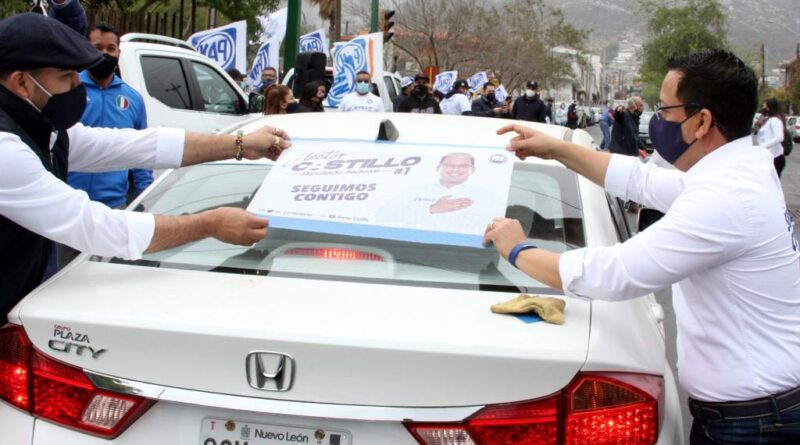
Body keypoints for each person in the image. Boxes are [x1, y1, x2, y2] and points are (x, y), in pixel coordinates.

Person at [485, 49, 800, 445]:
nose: (658, 121)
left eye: (665, 111)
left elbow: (616, 273)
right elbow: (642, 181)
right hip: (759, 412)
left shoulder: (725, 197)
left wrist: (518, 251)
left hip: (755, 423)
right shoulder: (740, 169)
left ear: (702, 121)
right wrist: (557, 149)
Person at [0, 13, 293, 321]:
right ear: (22, 82)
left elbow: (136, 145)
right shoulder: (6, 148)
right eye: (66, 77)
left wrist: (240, 144)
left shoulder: (44, 128)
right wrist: (209, 224)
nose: (77, 85)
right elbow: (97, 227)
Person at [67, 22, 152, 209]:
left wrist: (145, 195)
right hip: (69, 202)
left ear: (119, 53)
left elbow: (141, 151)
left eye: (110, 49)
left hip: (114, 206)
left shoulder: (133, 99)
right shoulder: (69, 90)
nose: (104, 54)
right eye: (97, 48)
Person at [377, 152, 500, 233]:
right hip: (409, 249)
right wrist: (431, 208)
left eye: (463, 166)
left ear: (472, 170)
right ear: (438, 167)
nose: (455, 169)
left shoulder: (487, 196)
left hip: (466, 255)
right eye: (449, 165)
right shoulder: (413, 191)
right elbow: (383, 216)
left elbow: (495, 229)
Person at [757, 98, 786, 177]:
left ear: (769, 108)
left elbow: (779, 137)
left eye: (764, 106)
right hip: (769, 157)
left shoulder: (775, 120)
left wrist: (763, 146)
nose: (762, 108)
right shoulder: (769, 120)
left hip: (775, 157)